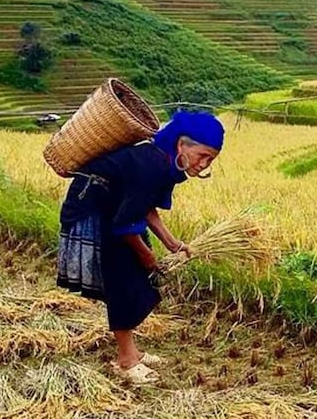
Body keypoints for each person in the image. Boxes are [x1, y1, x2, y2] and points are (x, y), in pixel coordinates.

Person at [56, 110, 223, 385]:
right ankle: (125, 362)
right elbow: (124, 222)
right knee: (124, 281)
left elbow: (144, 206)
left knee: (137, 279)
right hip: (93, 210)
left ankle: (132, 351)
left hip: (114, 210)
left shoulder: (165, 161)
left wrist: (171, 243)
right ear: (181, 144)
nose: (204, 165)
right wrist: (147, 256)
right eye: (202, 155)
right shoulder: (152, 166)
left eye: (210, 160)